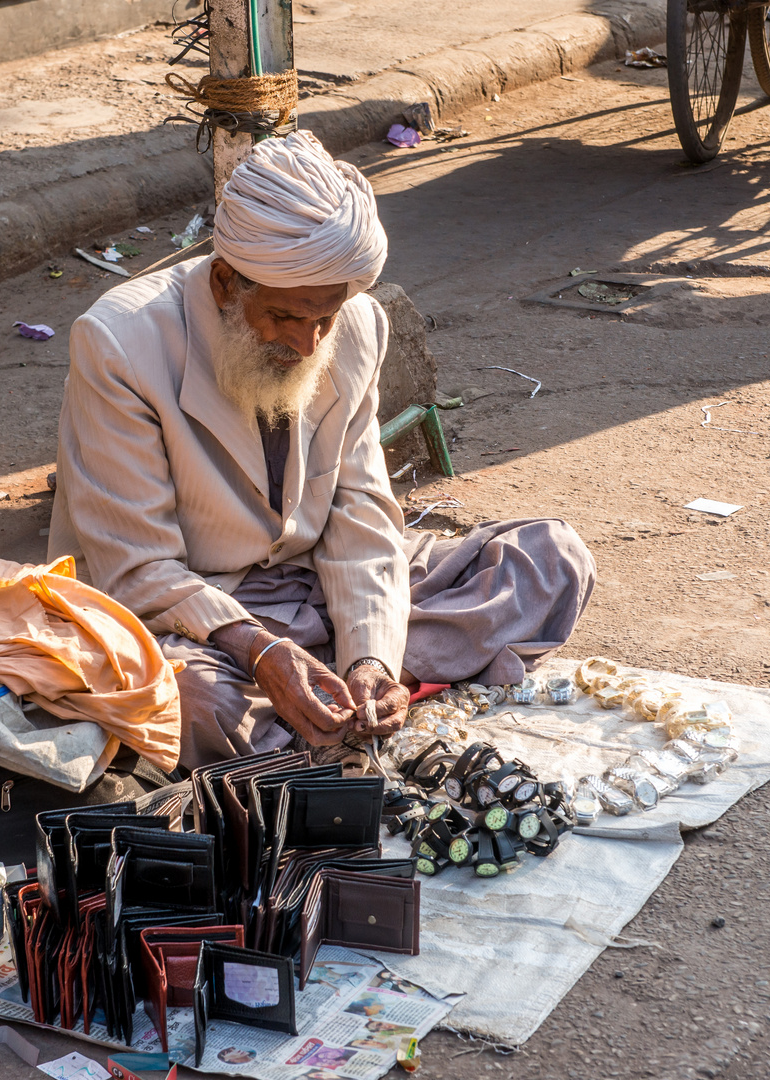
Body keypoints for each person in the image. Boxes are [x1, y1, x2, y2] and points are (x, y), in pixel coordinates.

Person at [48, 131, 595, 770]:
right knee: (191, 699)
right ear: (226, 283)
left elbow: (361, 513)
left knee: (551, 558)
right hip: (190, 613)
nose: (309, 345)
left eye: (325, 319)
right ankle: (319, 710)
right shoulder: (120, 343)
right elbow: (137, 569)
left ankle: (339, 707)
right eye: (284, 318)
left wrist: (370, 658)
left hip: (308, 586)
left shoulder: (357, 326)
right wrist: (262, 651)